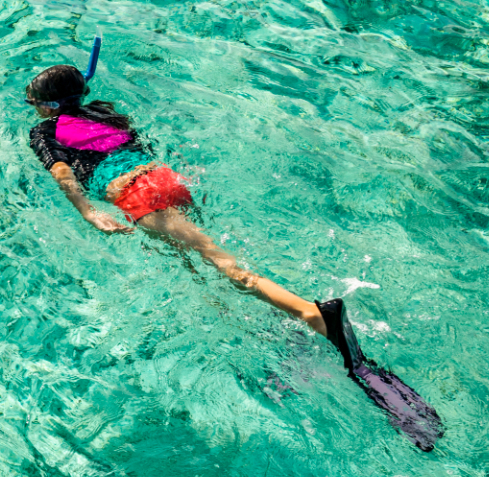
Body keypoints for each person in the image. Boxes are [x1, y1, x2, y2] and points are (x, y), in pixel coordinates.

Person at [24, 51, 442, 450]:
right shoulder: (105, 111)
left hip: (137, 196)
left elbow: (62, 171)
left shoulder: (43, 131)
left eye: (34, 102)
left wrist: (87, 212)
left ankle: (315, 315)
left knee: (228, 269)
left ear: (47, 105)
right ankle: (273, 328)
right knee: (191, 265)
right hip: (167, 179)